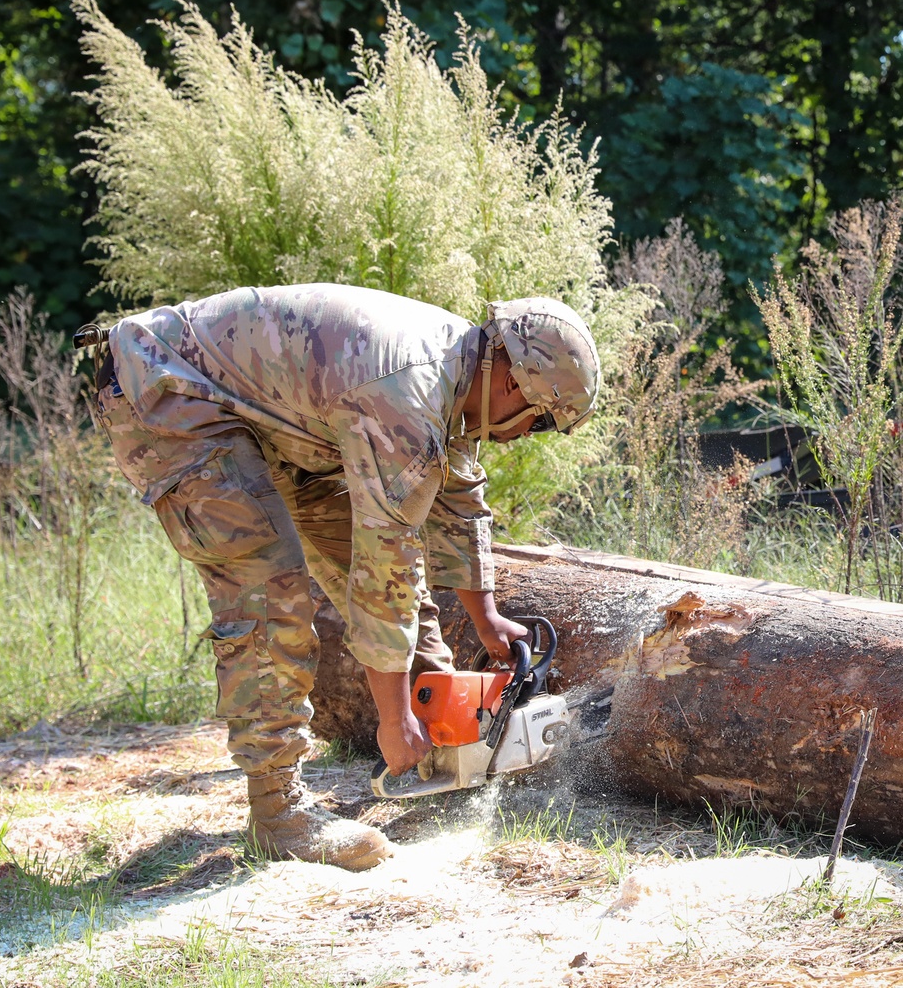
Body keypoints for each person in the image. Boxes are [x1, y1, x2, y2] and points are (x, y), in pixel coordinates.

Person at [86, 283, 600, 871]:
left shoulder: (457, 367)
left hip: (270, 421)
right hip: (170, 393)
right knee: (269, 594)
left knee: (377, 575)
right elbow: (387, 565)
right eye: (536, 423)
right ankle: (278, 813)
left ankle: (437, 745)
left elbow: (455, 491)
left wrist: (485, 619)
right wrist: (390, 717)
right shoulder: (407, 391)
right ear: (515, 381)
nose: (519, 435)